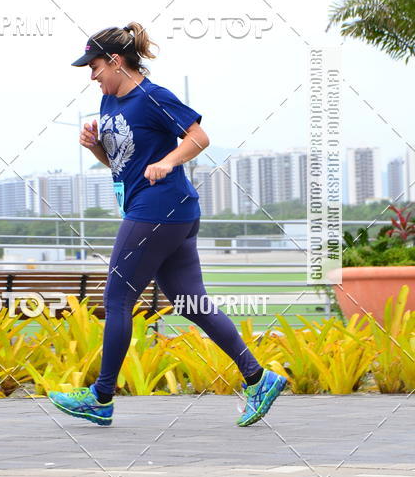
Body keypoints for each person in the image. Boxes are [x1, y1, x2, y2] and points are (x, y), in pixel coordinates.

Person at [48, 23, 287, 427]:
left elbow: (198, 137)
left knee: (118, 298)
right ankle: (258, 378)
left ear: (116, 61)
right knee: (190, 302)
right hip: (159, 208)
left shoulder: (151, 97)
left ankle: (101, 397)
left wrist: (169, 161)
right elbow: (125, 166)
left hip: (162, 208)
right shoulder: (108, 103)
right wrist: (96, 148)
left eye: (94, 66)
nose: (91, 75)